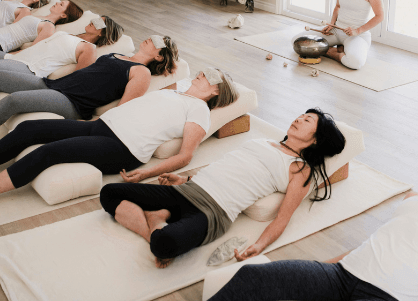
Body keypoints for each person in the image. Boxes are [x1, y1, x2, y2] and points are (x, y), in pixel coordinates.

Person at [190, 160, 418, 301]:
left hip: (389, 300)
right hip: (342, 275)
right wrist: (316, 270)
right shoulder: (416, 198)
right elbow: (381, 240)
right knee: (251, 275)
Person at [0, 69, 237, 214]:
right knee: (30, 131)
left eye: (209, 76)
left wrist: (146, 173)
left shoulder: (199, 110)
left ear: (214, 92)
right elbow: (143, 104)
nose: (202, 74)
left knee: (49, 152)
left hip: (122, 149)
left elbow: (184, 157)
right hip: (103, 126)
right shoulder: (178, 92)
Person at [100, 108, 346, 268]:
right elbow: (225, 166)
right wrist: (184, 180)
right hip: (187, 190)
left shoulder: (300, 169)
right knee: (109, 192)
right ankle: (154, 222)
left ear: (316, 139)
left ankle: (157, 220)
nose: (298, 119)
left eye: (307, 120)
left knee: (164, 244)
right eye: (301, 115)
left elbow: (284, 217)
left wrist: (259, 246)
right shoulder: (263, 141)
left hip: (213, 213)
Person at [0, 35, 179, 148]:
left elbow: (126, 107)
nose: (151, 39)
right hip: (54, 84)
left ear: (159, 56)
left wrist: (95, 124)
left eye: (158, 43)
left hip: (72, 102)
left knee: (15, 100)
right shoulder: (120, 54)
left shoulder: (141, 73)